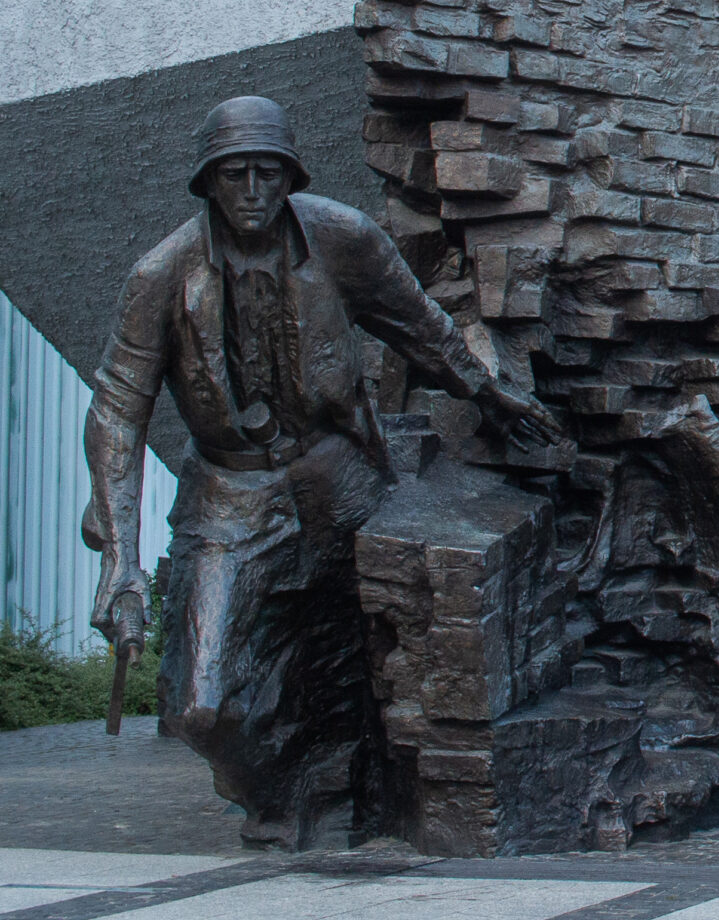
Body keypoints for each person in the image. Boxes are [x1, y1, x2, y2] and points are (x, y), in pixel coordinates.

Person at [84, 96, 559, 848]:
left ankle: (350, 796)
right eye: (235, 174)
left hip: (338, 471)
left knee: (358, 658)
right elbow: (116, 409)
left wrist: (490, 393)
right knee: (201, 707)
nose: (253, 191)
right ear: (207, 181)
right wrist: (120, 559)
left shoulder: (342, 237)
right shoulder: (162, 274)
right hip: (230, 490)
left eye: (268, 174)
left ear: (291, 176)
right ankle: (277, 791)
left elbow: (419, 326)